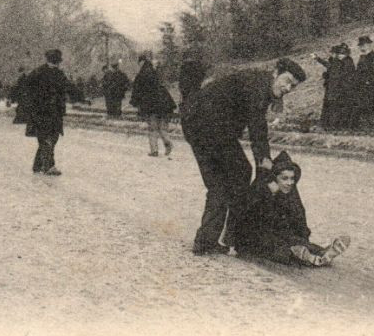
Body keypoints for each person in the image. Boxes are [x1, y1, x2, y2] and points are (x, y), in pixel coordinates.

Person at [180, 58, 307, 255]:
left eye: (293, 86)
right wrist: (263, 161)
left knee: (219, 185)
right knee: (240, 172)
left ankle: (206, 241)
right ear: (276, 73)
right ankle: (237, 236)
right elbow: (257, 126)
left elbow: (256, 123)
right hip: (209, 127)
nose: (288, 88)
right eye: (287, 81)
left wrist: (263, 161)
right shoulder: (257, 85)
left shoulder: (259, 83)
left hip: (195, 124)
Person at [231, 151, 352, 267]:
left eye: (292, 178)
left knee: (292, 239)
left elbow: (299, 216)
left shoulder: (289, 194)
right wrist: (271, 195)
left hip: (276, 233)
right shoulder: (261, 190)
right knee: (276, 244)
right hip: (252, 237)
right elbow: (246, 218)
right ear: (275, 178)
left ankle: (320, 253)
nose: (289, 183)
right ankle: (303, 256)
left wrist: (303, 239)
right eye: (284, 178)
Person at [23, 49, 72, 175]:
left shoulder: (47, 72)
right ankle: (49, 166)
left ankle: (38, 165)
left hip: (52, 111)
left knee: (50, 138)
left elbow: (68, 87)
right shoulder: (40, 73)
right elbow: (27, 88)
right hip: (43, 111)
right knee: (47, 138)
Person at [129, 53, 177, 157]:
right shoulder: (155, 72)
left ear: (141, 62)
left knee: (152, 127)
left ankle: (154, 150)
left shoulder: (141, 74)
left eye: (139, 62)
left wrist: (134, 102)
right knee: (162, 127)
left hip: (151, 104)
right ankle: (168, 143)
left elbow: (137, 90)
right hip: (164, 103)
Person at [316, 44, 356, 130]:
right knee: (335, 108)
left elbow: (339, 74)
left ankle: (337, 126)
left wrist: (327, 75)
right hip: (337, 88)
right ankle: (333, 125)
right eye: (339, 54)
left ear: (346, 54)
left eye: (342, 54)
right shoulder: (340, 61)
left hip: (343, 89)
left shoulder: (346, 62)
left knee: (338, 108)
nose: (339, 56)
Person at [354, 36, 374, 129]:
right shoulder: (362, 57)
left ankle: (373, 131)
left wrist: (368, 81)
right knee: (362, 109)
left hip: (370, 89)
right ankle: (365, 131)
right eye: (360, 45)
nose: (361, 47)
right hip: (361, 88)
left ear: (369, 45)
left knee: (372, 109)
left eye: (363, 45)